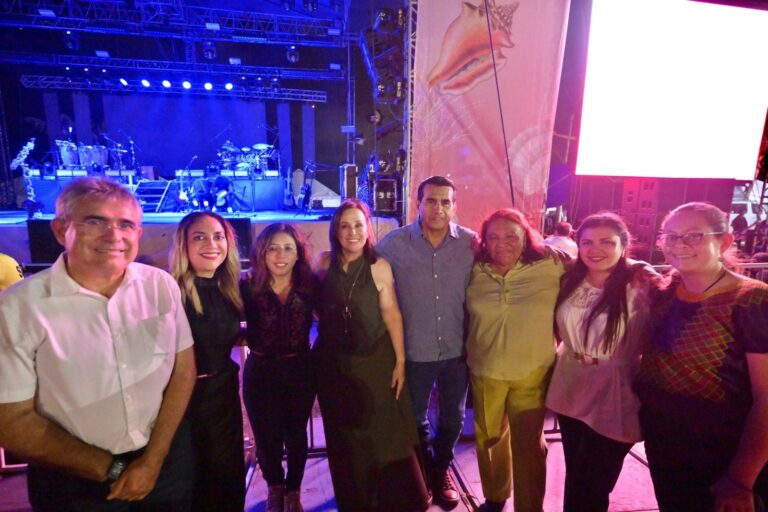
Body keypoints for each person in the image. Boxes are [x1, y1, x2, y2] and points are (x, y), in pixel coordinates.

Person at [0, 177, 196, 511]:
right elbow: (12, 422)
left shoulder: (160, 285)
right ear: (60, 230)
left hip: (166, 465)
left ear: (138, 233)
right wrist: (113, 470)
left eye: (126, 225)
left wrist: (154, 460)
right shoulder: (17, 308)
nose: (113, 235)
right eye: (95, 221)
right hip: (73, 481)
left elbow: (183, 372)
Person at [635, 202, 768, 512]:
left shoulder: (752, 300)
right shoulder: (665, 292)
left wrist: (740, 479)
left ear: (724, 241)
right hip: (663, 438)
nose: (679, 244)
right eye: (671, 236)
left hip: (724, 450)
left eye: (694, 235)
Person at [315, 199, 431, 512]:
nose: (352, 232)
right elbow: (315, 302)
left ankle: (390, 502)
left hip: (375, 361)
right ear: (335, 230)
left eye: (358, 224)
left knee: (383, 431)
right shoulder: (323, 263)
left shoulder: (379, 266)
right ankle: (355, 499)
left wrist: (400, 362)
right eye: (345, 225)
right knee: (345, 434)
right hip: (336, 364)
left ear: (368, 229)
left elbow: (392, 314)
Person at [545, 213, 659, 512]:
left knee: (593, 480)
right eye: (587, 242)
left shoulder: (641, 282)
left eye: (607, 242)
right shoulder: (569, 278)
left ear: (624, 245)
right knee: (576, 474)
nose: (595, 249)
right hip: (571, 382)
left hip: (615, 387)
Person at [376, 176, 476, 508]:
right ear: (417, 203)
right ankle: (421, 471)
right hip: (414, 351)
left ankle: (441, 468)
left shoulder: (471, 244)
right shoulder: (394, 244)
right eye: (431, 200)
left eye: (446, 202)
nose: (438, 208)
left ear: (454, 206)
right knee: (414, 418)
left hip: (457, 350)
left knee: (453, 419)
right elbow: (362, 270)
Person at [465, 208, 565, 512]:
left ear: (526, 236)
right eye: (493, 237)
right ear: (484, 241)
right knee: (489, 439)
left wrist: (636, 269)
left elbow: (597, 262)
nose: (502, 243)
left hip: (532, 372)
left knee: (529, 446)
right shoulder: (475, 269)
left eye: (511, 235)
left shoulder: (551, 264)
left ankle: (530, 506)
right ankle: (496, 496)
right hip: (486, 369)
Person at [169, 212, 245, 511]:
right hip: (187, 404)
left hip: (224, 397)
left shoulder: (229, 289)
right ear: (183, 245)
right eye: (199, 237)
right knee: (196, 485)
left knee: (228, 481)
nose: (211, 244)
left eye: (218, 236)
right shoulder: (170, 292)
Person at [241, 223, 316, 512]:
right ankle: (274, 487)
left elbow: (332, 316)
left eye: (288, 248)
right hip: (261, 372)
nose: (280, 255)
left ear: (298, 254)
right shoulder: (248, 285)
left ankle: (293, 491)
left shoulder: (309, 284)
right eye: (273, 248)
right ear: (262, 252)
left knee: (296, 436)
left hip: (300, 370)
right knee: (266, 438)